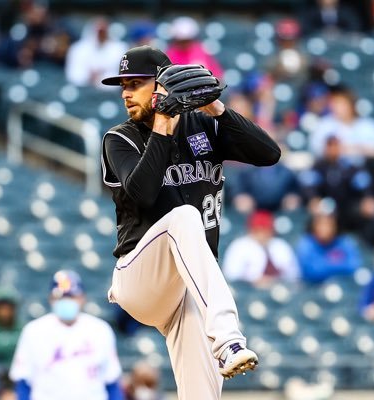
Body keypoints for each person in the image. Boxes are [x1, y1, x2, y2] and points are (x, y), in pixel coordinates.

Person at [100, 45, 281, 399]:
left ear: (162, 86)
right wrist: (164, 125)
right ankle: (228, 337)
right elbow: (143, 195)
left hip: (190, 289)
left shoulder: (204, 125)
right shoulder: (119, 138)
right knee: (183, 217)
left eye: (135, 83)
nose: (125, 93)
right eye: (123, 85)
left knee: (203, 393)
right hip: (141, 277)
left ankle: (226, 347)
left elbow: (269, 154)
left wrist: (217, 109)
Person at [9, 270, 123, 400]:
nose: (67, 301)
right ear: (51, 299)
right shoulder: (33, 331)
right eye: (61, 297)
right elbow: (23, 381)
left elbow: (111, 381)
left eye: (71, 296)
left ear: (82, 298)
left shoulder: (101, 330)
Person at [299, 135, 374, 245]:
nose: (333, 149)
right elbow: (309, 185)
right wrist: (313, 199)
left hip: (347, 206)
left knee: (368, 210)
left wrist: (367, 197)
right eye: (330, 146)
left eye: (336, 145)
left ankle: (363, 246)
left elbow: (363, 182)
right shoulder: (319, 166)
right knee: (319, 213)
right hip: (325, 205)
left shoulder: (349, 166)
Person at [222, 210, 300, 286]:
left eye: (266, 229)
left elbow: (294, 275)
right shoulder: (239, 246)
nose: (263, 234)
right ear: (251, 230)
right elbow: (230, 275)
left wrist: (274, 280)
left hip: (278, 287)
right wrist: (253, 280)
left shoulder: (281, 245)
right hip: (248, 290)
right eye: (258, 230)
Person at [295, 212, 362, 284]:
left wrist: (326, 265)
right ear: (314, 226)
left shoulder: (344, 241)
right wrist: (337, 263)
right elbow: (312, 272)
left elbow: (353, 266)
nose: (325, 229)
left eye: (329, 225)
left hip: (343, 285)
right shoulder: (306, 243)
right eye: (321, 225)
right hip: (313, 287)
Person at [65, 17, 128, 88]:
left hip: (109, 92)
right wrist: (89, 76)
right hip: (82, 90)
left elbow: (120, 76)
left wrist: (99, 78)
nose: (100, 34)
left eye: (103, 31)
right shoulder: (78, 48)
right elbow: (73, 75)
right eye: (99, 31)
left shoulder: (120, 48)